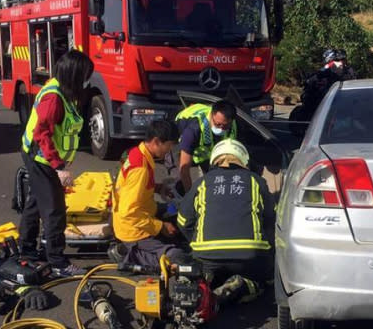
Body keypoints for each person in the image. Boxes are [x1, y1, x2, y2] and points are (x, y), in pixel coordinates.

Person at [19, 49, 94, 277]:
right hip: (41, 158)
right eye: (84, 75)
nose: (86, 80)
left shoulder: (62, 91)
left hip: (43, 157)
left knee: (35, 202)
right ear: (74, 75)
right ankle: (58, 261)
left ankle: (28, 250)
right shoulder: (54, 98)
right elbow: (43, 134)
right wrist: (59, 167)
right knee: (54, 210)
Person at [177, 138, 275, 305]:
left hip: (207, 255)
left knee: (197, 270)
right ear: (244, 160)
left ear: (215, 159)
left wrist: (196, 240)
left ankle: (204, 281)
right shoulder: (257, 181)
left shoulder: (203, 183)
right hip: (249, 256)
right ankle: (243, 285)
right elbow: (271, 218)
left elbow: (183, 220)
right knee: (264, 280)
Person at [112, 119, 188, 269]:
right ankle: (125, 253)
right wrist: (160, 226)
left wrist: (157, 188)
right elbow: (129, 213)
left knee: (174, 210)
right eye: (169, 146)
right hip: (133, 230)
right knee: (176, 256)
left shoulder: (138, 154)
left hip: (145, 211)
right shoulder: (140, 169)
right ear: (157, 141)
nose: (169, 151)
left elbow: (133, 188)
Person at [170, 100, 238, 195]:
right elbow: (184, 169)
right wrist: (190, 198)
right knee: (180, 180)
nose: (221, 129)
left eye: (225, 126)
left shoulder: (233, 124)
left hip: (206, 150)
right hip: (180, 137)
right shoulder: (193, 131)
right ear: (212, 116)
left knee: (215, 178)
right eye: (218, 124)